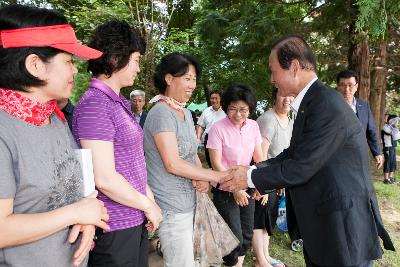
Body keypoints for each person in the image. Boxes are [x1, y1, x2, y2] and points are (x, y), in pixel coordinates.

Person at [220, 35, 394, 267]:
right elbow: (293, 154)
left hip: (342, 228)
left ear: (293, 67)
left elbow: (301, 166)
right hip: (325, 225)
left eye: (273, 71)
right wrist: (253, 170)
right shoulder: (311, 103)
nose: (272, 79)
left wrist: (249, 177)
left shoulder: (325, 104)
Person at [0, 4, 109, 267]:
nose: (75, 71)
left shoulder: (53, 119)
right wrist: (77, 212)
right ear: (35, 65)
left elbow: (69, 192)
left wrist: (87, 217)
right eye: (69, 61)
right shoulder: (4, 131)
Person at [72, 20, 162, 267]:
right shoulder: (95, 105)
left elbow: (133, 162)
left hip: (133, 221)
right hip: (113, 227)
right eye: (136, 60)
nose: (139, 68)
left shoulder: (116, 103)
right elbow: (104, 178)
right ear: (115, 58)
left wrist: (149, 202)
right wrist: (148, 205)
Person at [144, 52, 228, 267]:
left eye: (194, 79)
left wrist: (201, 177)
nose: (192, 85)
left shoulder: (185, 113)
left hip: (191, 201)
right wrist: (216, 175)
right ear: (169, 79)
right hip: (171, 206)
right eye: (187, 78)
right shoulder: (161, 113)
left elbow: (191, 155)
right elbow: (172, 162)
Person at [207, 84, 263, 267]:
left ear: (250, 109)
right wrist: (235, 188)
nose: (238, 114)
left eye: (243, 110)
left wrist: (263, 184)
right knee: (233, 238)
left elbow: (259, 158)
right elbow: (216, 163)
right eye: (232, 109)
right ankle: (225, 260)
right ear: (225, 107)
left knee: (246, 234)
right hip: (225, 189)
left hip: (247, 186)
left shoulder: (253, 126)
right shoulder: (217, 128)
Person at [252, 87, 293, 267]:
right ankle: (260, 260)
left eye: (291, 96)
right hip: (266, 179)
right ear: (275, 96)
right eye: (283, 95)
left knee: (270, 218)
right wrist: (264, 184)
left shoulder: (290, 119)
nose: (287, 100)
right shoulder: (268, 120)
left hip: (278, 179)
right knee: (260, 220)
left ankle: (266, 256)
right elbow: (260, 155)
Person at [336, 69, 383, 168]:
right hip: (336, 158)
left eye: (350, 85)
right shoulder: (330, 106)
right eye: (342, 85)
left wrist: (377, 152)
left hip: (358, 157)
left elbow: (371, 131)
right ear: (337, 87)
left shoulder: (364, 106)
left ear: (356, 87)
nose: (346, 89)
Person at [196, 90, 226, 167]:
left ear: (221, 99)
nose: (214, 100)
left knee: (222, 161)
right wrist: (198, 138)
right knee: (211, 162)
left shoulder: (226, 111)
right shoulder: (206, 111)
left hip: (223, 138)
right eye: (212, 98)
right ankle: (214, 175)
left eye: (216, 98)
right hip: (208, 138)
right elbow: (200, 125)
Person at [382, 114, 398, 184]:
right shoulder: (385, 127)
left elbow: (397, 136)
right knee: (388, 161)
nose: (396, 122)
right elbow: (393, 134)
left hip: (393, 146)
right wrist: (394, 128)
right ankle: (386, 179)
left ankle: (390, 177)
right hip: (387, 146)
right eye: (395, 121)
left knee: (393, 162)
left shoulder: (393, 127)